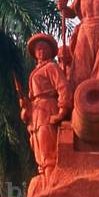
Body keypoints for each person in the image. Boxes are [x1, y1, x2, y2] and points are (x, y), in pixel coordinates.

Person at [21, 33, 70, 176]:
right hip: (36, 112)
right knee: (38, 146)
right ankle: (45, 180)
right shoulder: (35, 71)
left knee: (47, 146)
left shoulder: (51, 67)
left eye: (44, 48)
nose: (41, 51)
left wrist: (62, 111)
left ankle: (52, 180)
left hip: (48, 108)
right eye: (38, 49)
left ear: (50, 51)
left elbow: (63, 87)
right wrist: (26, 107)